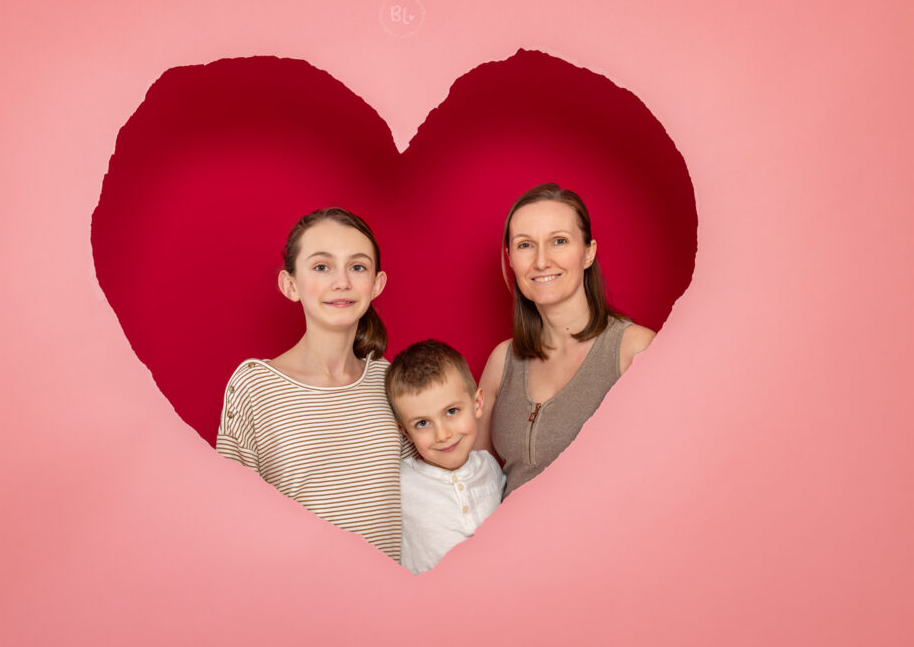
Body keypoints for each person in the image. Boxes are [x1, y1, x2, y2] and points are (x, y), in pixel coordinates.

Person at [216, 208, 413, 563]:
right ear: (290, 285)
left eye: (357, 267)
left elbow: (429, 494)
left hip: (392, 605)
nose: (342, 282)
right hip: (298, 607)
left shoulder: (393, 382)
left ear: (377, 284)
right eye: (322, 267)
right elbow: (228, 518)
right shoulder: (254, 386)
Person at [476, 183, 655, 499]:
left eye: (559, 241)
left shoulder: (635, 351)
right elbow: (474, 482)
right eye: (525, 245)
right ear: (511, 259)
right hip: (510, 546)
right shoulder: (502, 361)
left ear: (588, 253)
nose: (542, 261)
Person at [386, 339, 505, 574]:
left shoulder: (490, 468)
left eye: (452, 412)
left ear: (477, 403)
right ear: (405, 432)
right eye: (422, 423)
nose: (442, 434)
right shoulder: (399, 482)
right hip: (429, 605)